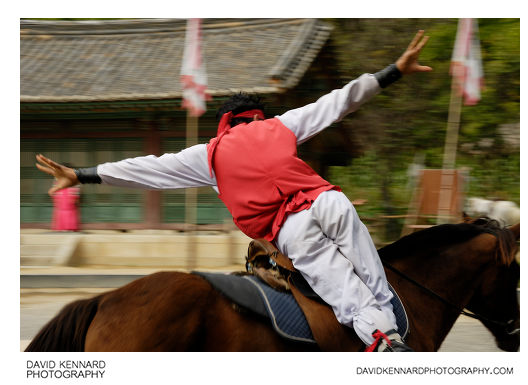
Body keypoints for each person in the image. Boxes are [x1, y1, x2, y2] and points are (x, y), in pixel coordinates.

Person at [35, 30, 432, 352]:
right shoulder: (283, 125)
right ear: (258, 117)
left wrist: (82, 174)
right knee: (376, 282)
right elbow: (337, 103)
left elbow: (148, 169)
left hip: (293, 230)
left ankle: (387, 347)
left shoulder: (211, 153)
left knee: (349, 298)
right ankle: (395, 326)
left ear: (225, 122)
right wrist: (394, 70)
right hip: (330, 202)